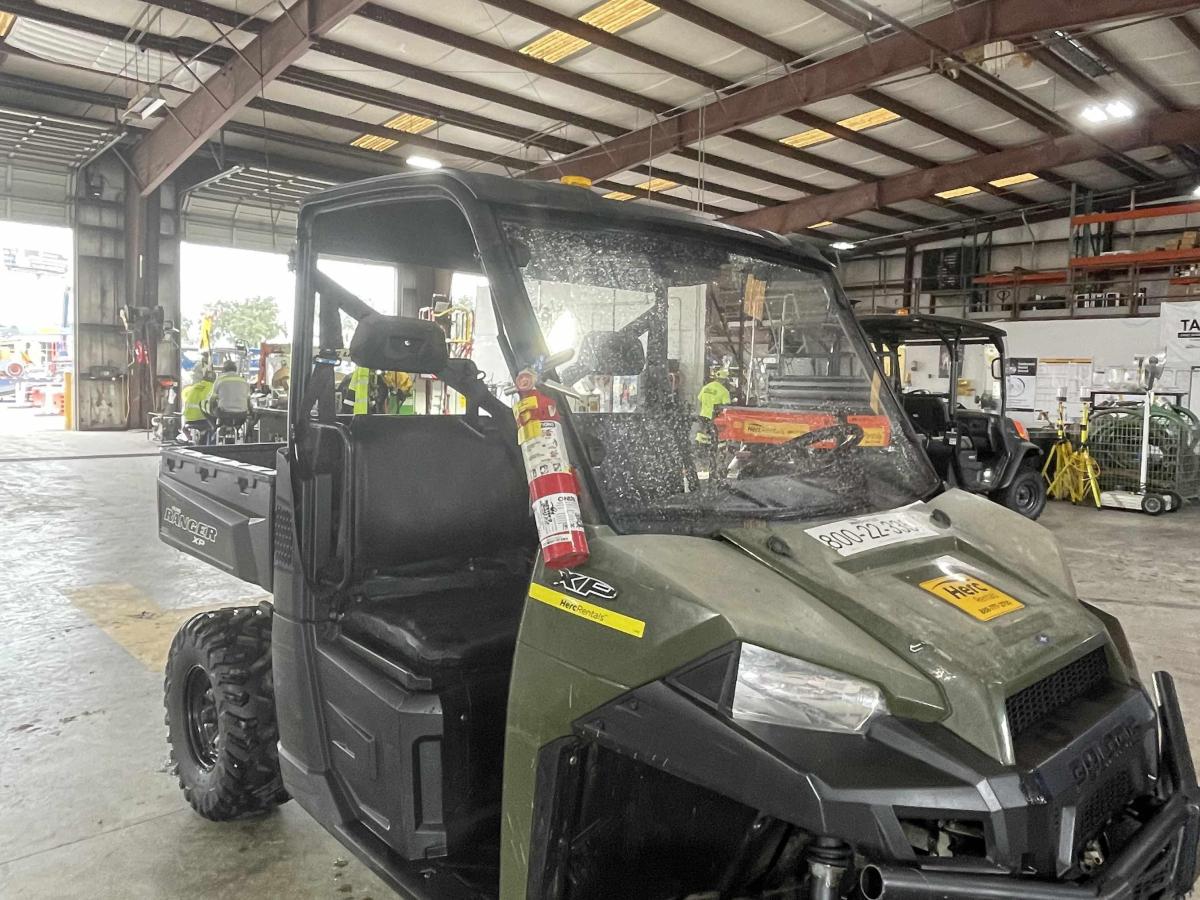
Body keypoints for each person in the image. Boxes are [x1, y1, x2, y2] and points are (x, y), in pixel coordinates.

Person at [207, 360, 252, 440]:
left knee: (212, 410)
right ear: (235, 370)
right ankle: (240, 434)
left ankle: (215, 430)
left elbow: (212, 399)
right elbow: (248, 400)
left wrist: (211, 410)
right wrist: (250, 411)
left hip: (224, 414)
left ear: (223, 370)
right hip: (241, 416)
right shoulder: (243, 381)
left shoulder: (220, 380)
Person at [696, 367, 731, 445]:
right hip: (714, 417)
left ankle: (699, 447)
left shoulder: (706, 387)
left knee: (702, 433)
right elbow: (726, 407)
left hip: (703, 415)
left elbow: (700, 400)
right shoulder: (724, 391)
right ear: (724, 380)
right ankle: (713, 450)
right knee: (716, 436)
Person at [181, 371, 216, 445]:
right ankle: (210, 446)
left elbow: (184, 396)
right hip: (201, 420)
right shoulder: (212, 388)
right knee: (213, 427)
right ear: (214, 380)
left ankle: (191, 439)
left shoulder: (194, 387)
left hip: (188, 419)